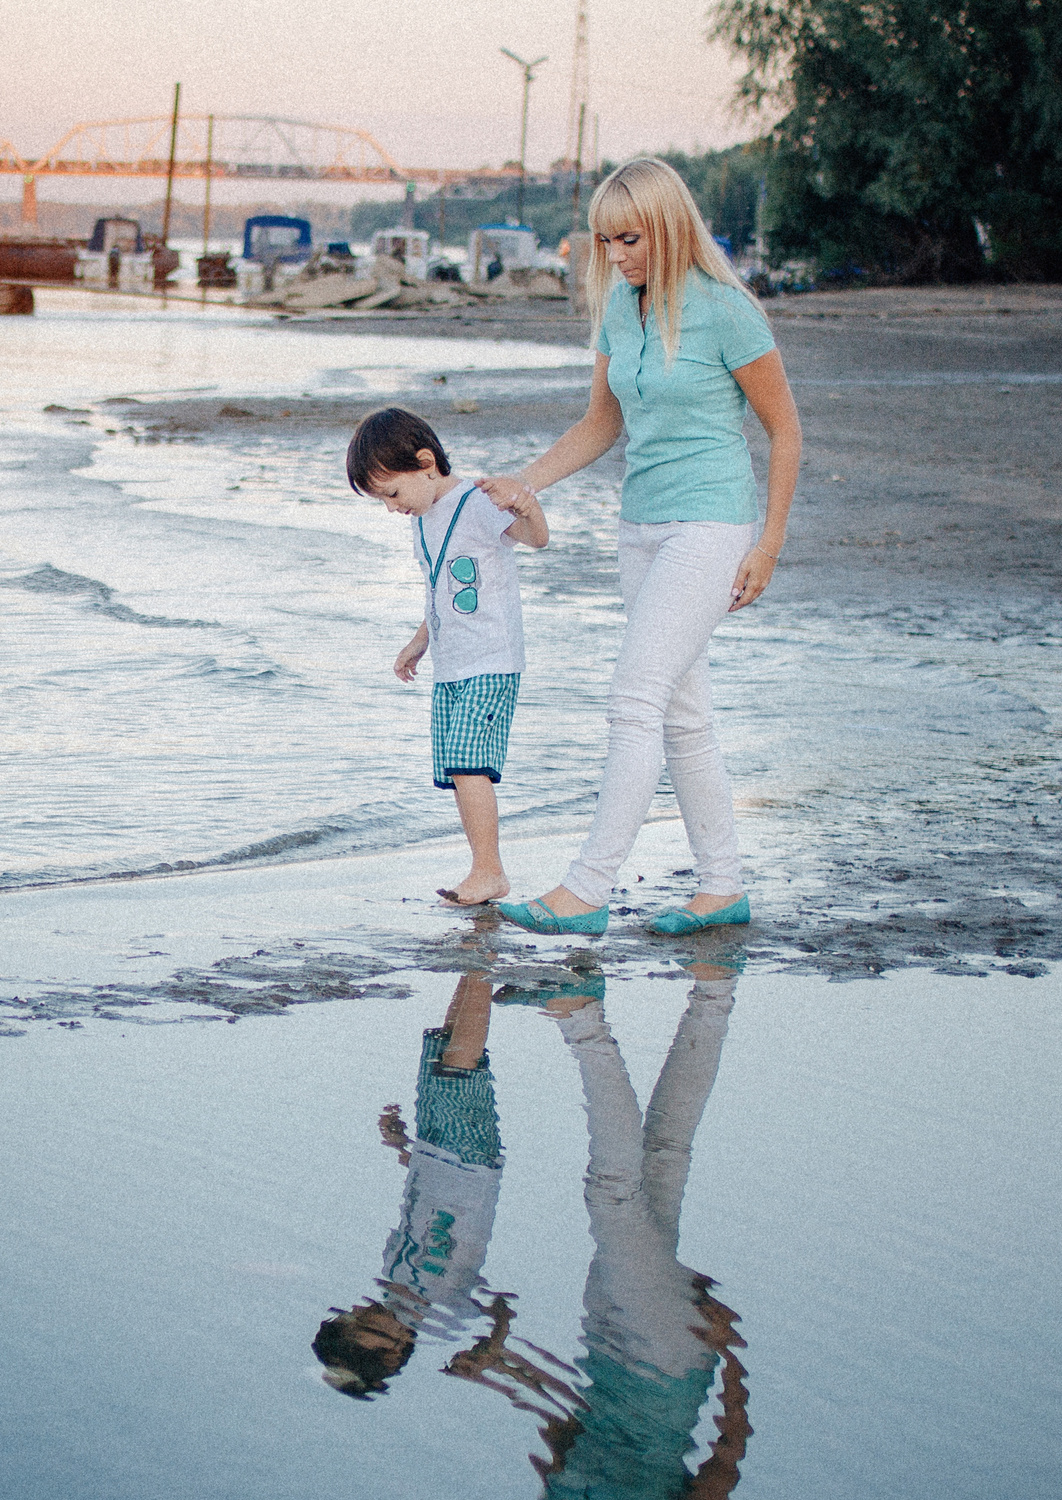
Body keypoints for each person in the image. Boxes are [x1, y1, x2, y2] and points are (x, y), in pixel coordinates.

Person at [478, 159, 803, 937]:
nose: (616, 255)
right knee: (685, 712)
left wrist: (769, 543)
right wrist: (526, 481)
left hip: (712, 526)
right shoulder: (620, 310)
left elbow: (785, 430)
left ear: (666, 227)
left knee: (635, 696)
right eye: (604, 240)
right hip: (641, 528)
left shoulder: (728, 312)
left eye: (629, 238)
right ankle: (722, 885)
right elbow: (601, 423)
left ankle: (587, 888)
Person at [447, 959, 753, 1500]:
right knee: (614, 1192)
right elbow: (726, 1458)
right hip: (669, 1357)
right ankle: (583, 1019)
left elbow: (565, 1417)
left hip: (608, 1340)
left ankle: (714, 990)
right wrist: (730, 1351)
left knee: (661, 1159)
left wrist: (499, 1364)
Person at [347, 408, 551, 908]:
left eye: (392, 494)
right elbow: (437, 589)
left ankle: (489, 871)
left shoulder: (476, 502)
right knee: (459, 773)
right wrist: (419, 641)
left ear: (425, 462)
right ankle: (485, 869)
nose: (393, 509)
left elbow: (538, 539)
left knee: (468, 763)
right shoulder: (423, 523)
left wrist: (525, 503)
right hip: (452, 665)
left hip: (491, 658)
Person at [313, 970, 508, 1398]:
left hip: (433, 1155)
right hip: (471, 1164)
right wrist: (492, 1348)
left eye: (353, 1318)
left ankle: (472, 961)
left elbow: (416, 1207)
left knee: (440, 1052)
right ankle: (485, 964)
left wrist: (404, 1148)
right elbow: (500, 1307)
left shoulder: (391, 1274)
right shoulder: (447, 1310)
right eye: (369, 1327)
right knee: (460, 1068)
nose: (362, 1313)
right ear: (399, 1348)